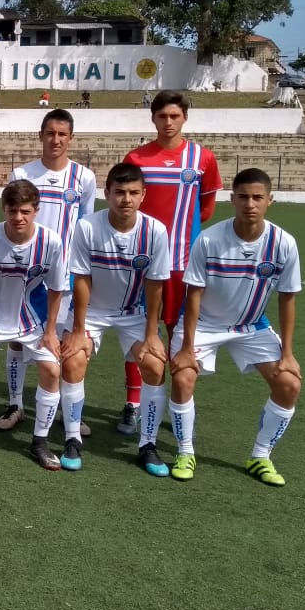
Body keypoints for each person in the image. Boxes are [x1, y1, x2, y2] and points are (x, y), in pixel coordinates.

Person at [165, 168, 302, 486]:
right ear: (232, 199)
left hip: (251, 326)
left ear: (270, 200)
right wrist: (186, 348)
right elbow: (193, 294)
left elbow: (288, 299)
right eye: (243, 197)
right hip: (204, 323)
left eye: (257, 198)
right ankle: (185, 452)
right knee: (183, 377)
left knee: (289, 384)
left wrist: (288, 354)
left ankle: (260, 456)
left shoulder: (284, 243)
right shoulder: (209, 239)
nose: (250, 204)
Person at [58, 163, 171, 475]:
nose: (126, 199)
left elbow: (155, 285)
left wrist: (152, 334)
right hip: (92, 311)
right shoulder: (87, 227)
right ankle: (71, 438)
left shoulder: (155, 231)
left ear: (144, 195)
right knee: (73, 360)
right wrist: (78, 329)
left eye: (134, 192)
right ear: (106, 193)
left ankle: (148, 444)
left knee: (154, 365)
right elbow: (81, 279)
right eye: (119, 192)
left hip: (133, 312)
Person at [120, 90, 221, 434]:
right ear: (153, 118)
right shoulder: (137, 158)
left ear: (185, 118)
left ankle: (179, 404)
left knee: (179, 332)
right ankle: (134, 403)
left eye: (174, 116)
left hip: (184, 263)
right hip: (142, 261)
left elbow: (206, 209)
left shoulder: (202, 158)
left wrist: (181, 236)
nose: (168, 122)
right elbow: (128, 203)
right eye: (162, 116)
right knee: (138, 330)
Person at [0, 109, 96, 433]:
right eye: (50, 133)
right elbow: (11, 221)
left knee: (65, 342)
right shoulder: (22, 173)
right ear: (40, 135)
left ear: (71, 138)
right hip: (24, 274)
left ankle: (68, 411)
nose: (56, 139)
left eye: (62, 134)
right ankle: (15, 404)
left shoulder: (84, 178)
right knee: (16, 340)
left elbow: (85, 229)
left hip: (64, 277)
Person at [0, 180, 68, 469]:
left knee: (51, 369)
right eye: (12, 211)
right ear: (4, 210)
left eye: (25, 211)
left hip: (33, 318)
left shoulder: (51, 241)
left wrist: (51, 331)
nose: (18, 217)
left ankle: (40, 442)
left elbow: (57, 288)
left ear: (36, 211)